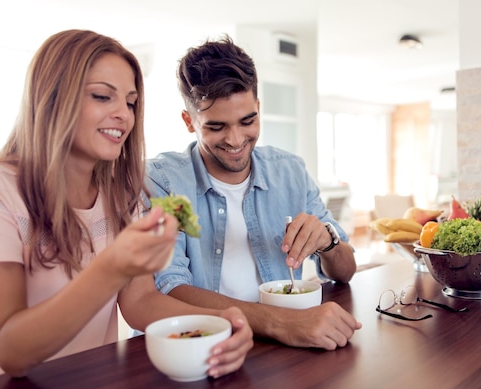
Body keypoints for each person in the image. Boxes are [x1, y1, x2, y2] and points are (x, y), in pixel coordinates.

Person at [0, 29, 253, 389]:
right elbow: (10, 351)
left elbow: (141, 300)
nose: (124, 115)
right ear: (52, 98)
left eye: (131, 102)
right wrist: (113, 265)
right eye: (103, 96)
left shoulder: (121, 196)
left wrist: (222, 321)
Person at [146, 35, 361, 350]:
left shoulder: (291, 172)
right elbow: (168, 287)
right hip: (200, 349)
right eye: (216, 127)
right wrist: (280, 321)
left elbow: (345, 272)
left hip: (284, 345)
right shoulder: (163, 181)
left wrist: (328, 241)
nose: (235, 140)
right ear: (189, 121)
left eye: (248, 121)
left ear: (259, 108)